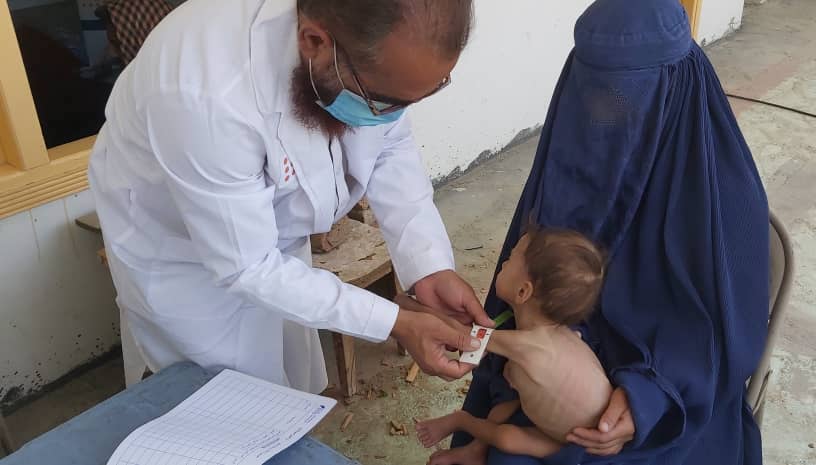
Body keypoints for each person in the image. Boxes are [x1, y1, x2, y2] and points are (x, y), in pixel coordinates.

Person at [88, 0, 493, 390]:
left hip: (271, 239)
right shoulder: (204, 92)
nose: (392, 115)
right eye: (381, 101)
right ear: (314, 42)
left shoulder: (360, 58)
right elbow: (248, 266)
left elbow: (388, 144)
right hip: (183, 255)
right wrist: (394, 322)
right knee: (228, 407)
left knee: (290, 379)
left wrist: (429, 265)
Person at [443, 0, 770, 464]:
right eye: (593, 96)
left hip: (670, 399)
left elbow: (728, 335)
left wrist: (645, 398)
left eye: (625, 100)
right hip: (553, 376)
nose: (606, 116)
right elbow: (526, 286)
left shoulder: (722, 194)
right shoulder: (576, 156)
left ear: (673, 90)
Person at [415, 227, 611, 462]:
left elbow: (459, 334)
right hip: (573, 428)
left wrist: (405, 312)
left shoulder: (529, 346)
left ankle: (461, 420)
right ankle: (474, 451)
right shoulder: (558, 332)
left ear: (522, 291)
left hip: (578, 443)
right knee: (506, 398)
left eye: (509, 260)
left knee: (506, 438)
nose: (503, 263)